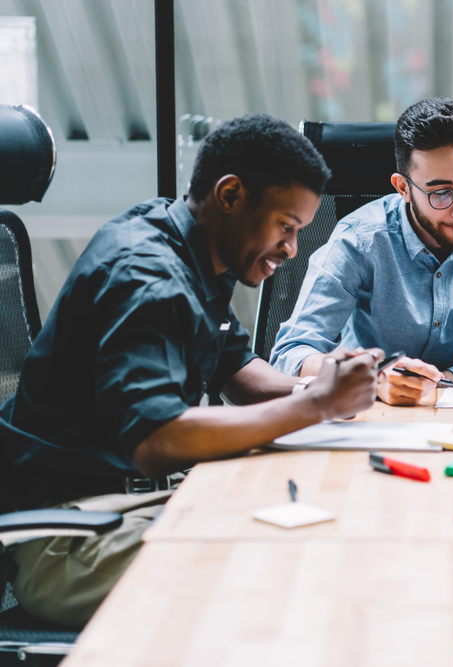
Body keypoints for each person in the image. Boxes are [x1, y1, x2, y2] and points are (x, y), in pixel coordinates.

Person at [0, 114, 382, 628]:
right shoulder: (147, 277)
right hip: (64, 541)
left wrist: (323, 385)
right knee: (289, 567)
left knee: (315, 521)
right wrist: (315, 405)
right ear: (230, 196)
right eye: (287, 227)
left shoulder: (197, 248)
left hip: (121, 505)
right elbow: (157, 439)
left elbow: (238, 371)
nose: (292, 249)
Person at [269, 97, 453, 406]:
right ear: (403, 188)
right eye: (441, 193)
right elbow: (290, 352)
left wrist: (441, 383)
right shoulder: (358, 240)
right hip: (369, 411)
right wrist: (371, 377)